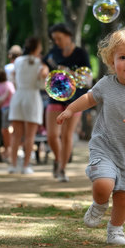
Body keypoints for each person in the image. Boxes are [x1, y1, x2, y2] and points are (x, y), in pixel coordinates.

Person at [56, 26, 125, 246]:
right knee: (103, 184)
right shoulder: (106, 84)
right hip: (105, 146)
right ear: (112, 61)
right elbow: (88, 98)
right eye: (123, 57)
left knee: (123, 198)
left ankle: (115, 229)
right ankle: (99, 204)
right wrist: (70, 110)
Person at [43, 23, 91, 182]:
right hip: (55, 96)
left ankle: (62, 169)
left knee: (66, 135)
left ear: (68, 35)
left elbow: (88, 78)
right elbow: (44, 65)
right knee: (51, 135)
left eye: (59, 38)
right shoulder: (53, 52)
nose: (56, 42)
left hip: (75, 99)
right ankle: (58, 160)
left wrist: (70, 72)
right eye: (54, 39)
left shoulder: (80, 53)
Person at [9, 37, 49, 174]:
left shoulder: (18, 61)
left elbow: (14, 77)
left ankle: (13, 165)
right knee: (30, 136)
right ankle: (26, 166)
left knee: (16, 135)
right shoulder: (40, 63)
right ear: (37, 48)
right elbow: (44, 79)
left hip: (18, 96)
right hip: (32, 97)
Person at [0, 68, 15, 162]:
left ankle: (7, 150)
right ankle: (10, 151)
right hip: (12, 109)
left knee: (5, 129)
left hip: (4, 109)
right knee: (11, 129)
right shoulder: (9, 84)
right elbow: (13, 94)